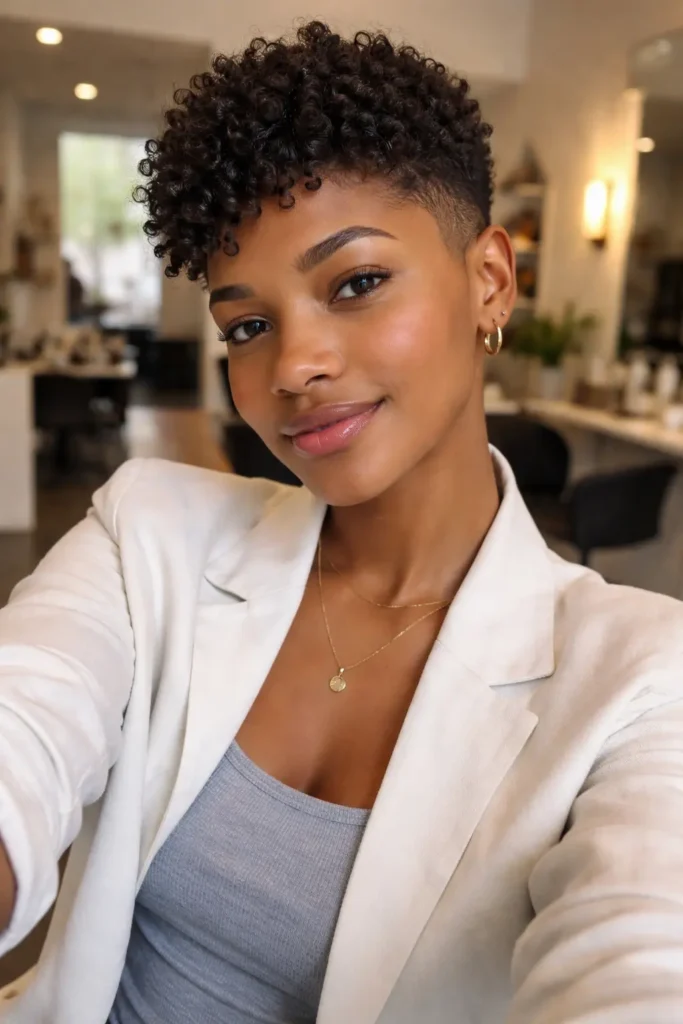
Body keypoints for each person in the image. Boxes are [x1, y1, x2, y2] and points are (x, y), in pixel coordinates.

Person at [1, 21, 683, 1024]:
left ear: (489, 279)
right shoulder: (149, 530)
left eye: (355, 282)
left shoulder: (638, 682)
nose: (291, 367)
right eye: (247, 324)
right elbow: (24, 724)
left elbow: (638, 958)